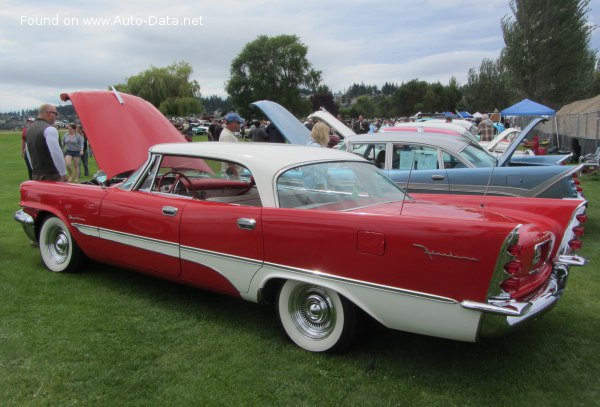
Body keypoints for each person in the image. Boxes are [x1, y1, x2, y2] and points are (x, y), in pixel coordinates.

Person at [25, 104, 67, 181]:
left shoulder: (29, 130)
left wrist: (34, 170)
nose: (56, 117)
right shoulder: (50, 129)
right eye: (55, 114)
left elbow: (28, 153)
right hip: (52, 176)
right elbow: (56, 153)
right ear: (48, 113)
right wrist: (63, 174)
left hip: (36, 175)